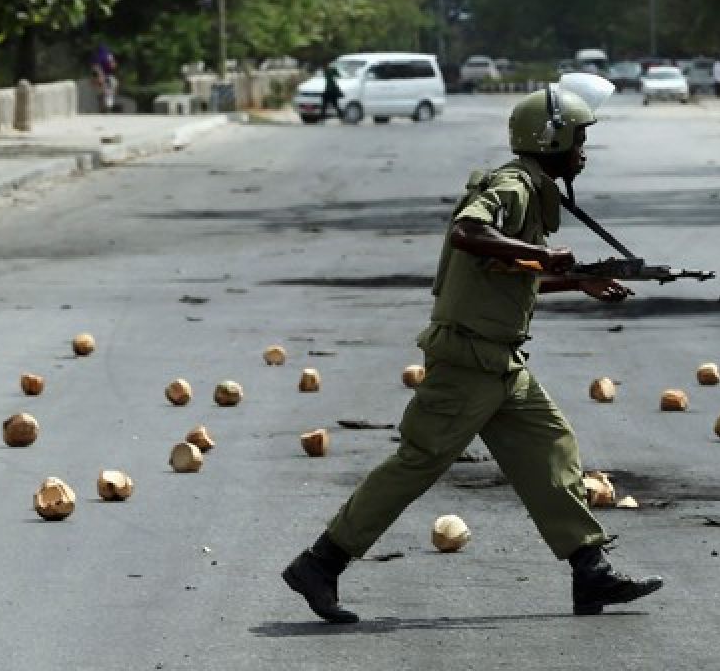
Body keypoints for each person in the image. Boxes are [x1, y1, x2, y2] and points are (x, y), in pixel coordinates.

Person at [283, 74, 663, 624]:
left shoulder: (534, 188)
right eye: (579, 140)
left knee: (551, 446)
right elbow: (468, 231)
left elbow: (510, 272)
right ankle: (321, 562)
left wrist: (576, 279)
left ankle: (590, 572)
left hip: (501, 361)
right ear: (550, 139)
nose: (584, 152)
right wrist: (547, 256)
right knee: (416, 465)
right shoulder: (513, 187)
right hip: (467, 359)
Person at [91, 44, 118, 114]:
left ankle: (105, 106)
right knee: (107, 89)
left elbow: (95, 67)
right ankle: (106, 106)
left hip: (102, 76)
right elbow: (113, 66)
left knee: (105, 90)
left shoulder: (97, 56)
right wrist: (100, 76)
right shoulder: (106, 56)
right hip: (103, 76)